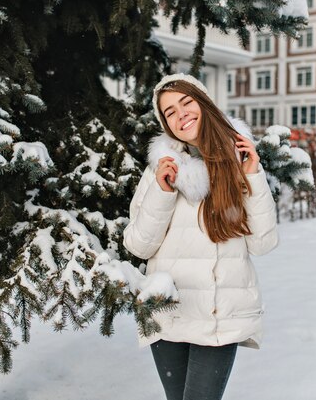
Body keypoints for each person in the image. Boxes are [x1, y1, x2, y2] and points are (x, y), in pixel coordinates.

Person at [123, 73, 279, 400]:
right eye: (169, 112)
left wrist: (253, 174)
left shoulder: (239, 163)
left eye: (186, 102)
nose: (180, 114)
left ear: (204, 104)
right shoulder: (160, 169)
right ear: (166, 124)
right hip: (168, 311)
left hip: (217, 319)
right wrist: (162, 192)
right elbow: (138, 245)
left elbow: (263, 243)